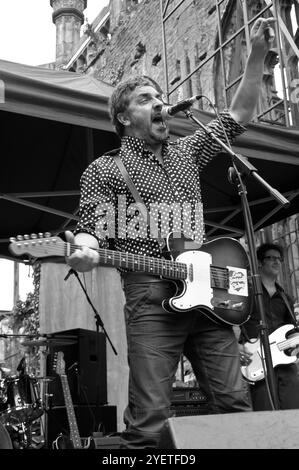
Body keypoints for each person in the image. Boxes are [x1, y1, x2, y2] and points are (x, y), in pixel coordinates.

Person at [65, 18, 276, 448]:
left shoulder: (187, 151)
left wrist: (254, 57)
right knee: (149, 424)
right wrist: (82, 251)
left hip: (208, 292)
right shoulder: (105, 170)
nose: (161, 103)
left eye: (161, 96)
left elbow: (238, 115)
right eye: (147, 99)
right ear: (124, 117)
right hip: (150, 296)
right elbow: (88, 230)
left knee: (236, 408)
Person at [239, 242, 299, 410]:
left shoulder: (286, 298)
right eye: (271, 258)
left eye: (279, 259)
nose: (276, 262)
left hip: (284, 359)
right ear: (260, 262)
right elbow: (234, 319)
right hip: (257, 358)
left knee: (293, 410)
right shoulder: (247, 293)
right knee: (265, 413)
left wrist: (295, 344)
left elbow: (292, 330)